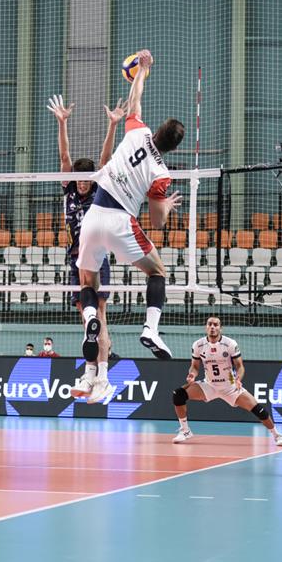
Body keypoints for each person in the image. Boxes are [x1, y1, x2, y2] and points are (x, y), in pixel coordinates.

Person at [74, 49, 184, 399]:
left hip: (93, 217)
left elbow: (135, 99)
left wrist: (142, 71)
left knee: (88, 281)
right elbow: (156, 221)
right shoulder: (161, 173)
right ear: (173, 148)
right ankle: (150, 328)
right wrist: (165, 204)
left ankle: (91, 317)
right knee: (157, 272)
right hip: (122, 222)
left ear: (158, 128)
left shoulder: (137, 131)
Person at [48, 93, 125, 396]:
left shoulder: (99, 192)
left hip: (97, 257)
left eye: (85, 178)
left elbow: (106, 159)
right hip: (74, 258)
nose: (81, 182)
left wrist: (113, 125)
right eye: (78, 178)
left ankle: (102, 377)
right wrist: (62, 123)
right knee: (87, 319)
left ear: (91, 180)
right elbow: (64, 157)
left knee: (99, 315)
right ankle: (90, 375)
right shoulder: (68, 189)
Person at [172, 316, 282, 447]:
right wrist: (192, 374)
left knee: (258, 410)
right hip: (209, 385)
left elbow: (240, 366)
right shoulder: (198, 345)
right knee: (178, 394)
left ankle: (277, 435)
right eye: (210, 324)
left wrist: (238, 378)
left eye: (216, 325)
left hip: (230, 386)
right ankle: (185, 430)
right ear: (206, 327)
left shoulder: (230, 344)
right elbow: (195, 366)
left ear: (221, 328)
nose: (212, 327)